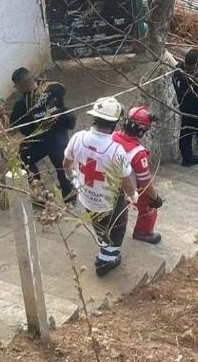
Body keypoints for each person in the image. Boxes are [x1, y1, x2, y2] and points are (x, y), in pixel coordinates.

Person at [63, 97, 139, 276]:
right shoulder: (116, 150)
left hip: (86, 196)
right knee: (117, 228)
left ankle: (104, 246)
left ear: (94, 118)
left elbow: (66, 164)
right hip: (108, 201)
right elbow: (126, 180)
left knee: (98, 223)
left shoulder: (78, 137)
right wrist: (132, 195)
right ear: (114, 124)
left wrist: (73, 179)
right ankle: (107, 260)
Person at [9, 67, 76, 205]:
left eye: (16, 85)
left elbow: (14, 127)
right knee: (62, 167)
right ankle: (70, 198)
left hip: (39, 141)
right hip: (59, 136)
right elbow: (61, 93)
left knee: (23, 158)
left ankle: (40, 195)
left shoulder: (21, 105)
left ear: (20, 85)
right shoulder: (55, 87)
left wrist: (3, 116)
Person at [112, 106, 164, 244]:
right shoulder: (138, 153)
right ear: (141, 130)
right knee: (149, 202)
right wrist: (155, 198)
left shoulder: (112, 136)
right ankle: (143, 233)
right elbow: (145, 182)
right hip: (125, 187)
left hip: (106, 182)